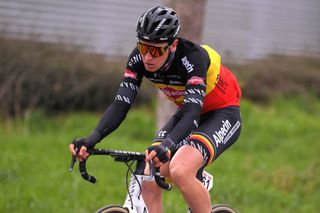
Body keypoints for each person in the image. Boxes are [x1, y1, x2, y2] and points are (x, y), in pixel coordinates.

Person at [69, 5, 242, 213]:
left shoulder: (192, 58)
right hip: (189, 111)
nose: (148, 57)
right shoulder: (138, 60)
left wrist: (168, 145)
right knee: (148, 172)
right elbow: (121, 104)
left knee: (180, 170)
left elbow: (192, 114)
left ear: (172, 45)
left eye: (156, 50)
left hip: (221, 113)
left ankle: (192, 177)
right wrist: (92, 138)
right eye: (143, 48)